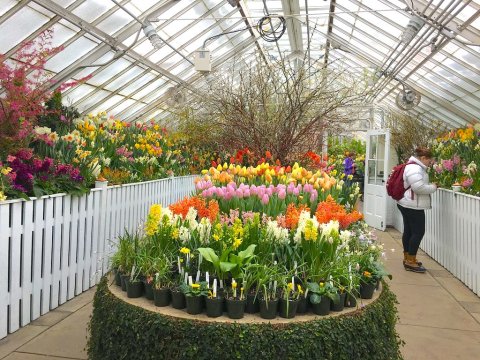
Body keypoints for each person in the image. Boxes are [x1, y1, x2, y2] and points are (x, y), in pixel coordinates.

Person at [397, 147, 437, 273]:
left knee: (409, 231)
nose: (430, 163)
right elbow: (418, 188)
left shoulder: (413, 166)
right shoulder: (415, 168)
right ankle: (410, 261)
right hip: (412, 205)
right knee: (418, 232)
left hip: (407, 203)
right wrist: (433, 187)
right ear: (423, 158)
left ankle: (408, 258)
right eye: (429, 160)